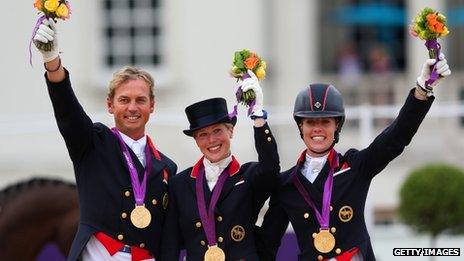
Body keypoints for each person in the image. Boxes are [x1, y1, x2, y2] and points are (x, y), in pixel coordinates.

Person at [257, 54, 451, 261]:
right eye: (311, 122)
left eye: (325, 122)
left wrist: (422, 90)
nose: (317, 129)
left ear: (337, 126)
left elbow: (396, 137)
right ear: (301, 127)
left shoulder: (354, 167)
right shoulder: (286, 184)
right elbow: (266, 245)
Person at [33, 18, 177, 261]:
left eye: (140, 100)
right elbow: (68, 111)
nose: (132, 107)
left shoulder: (166, 167)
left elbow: (169, 236)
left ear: (152, 105)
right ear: (110, 105)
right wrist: (52, 63)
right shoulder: (92, 143)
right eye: (124, 100)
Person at [161, 71, 280, 260]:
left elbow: (271, 168)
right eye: (202, 135)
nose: (212, 140)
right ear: (196, 140)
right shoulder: (179, 184)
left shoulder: (248, 176)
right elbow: (170, 244)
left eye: (217, 131)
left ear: (231, 131)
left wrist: (259, 119)